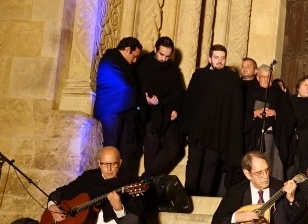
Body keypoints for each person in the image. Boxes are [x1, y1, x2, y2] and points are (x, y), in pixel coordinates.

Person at [45, 145, 147, 224]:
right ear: (99, 163)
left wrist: (119, 209)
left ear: (120, 163)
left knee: (132, 220)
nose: (108, 168)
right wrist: (52, 206)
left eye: (113, 164)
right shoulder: (89, 178)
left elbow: (139, 214)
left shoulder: (130, 182)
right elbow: (61, 192)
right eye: (104, 164)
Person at [183, 44, 245, 196]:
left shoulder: (231, 79)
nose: (220, 61)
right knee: (194, 163)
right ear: (210, 58)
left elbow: (235, 108)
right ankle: (188, 196)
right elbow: (189, 102)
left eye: (223, 58)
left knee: (210, 166)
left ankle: (204, 198)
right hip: (198, 130)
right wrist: (188, 129)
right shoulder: (199, 75)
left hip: (217, 132)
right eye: (216, 57)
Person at [138, 35, 187, 177]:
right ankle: (148, 183)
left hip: (168, 115)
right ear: (155, 49)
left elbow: (178, 93)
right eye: (161, 54)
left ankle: (146, 177)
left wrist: (176, 109)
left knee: (175, 149)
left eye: (167, 56)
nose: (164, 59)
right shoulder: (143, 66)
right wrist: (146, 100)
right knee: (151, 150)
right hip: (150, 116)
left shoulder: (173, 70)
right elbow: (135, 89)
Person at [94, 36, 144, 170]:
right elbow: (124, 87)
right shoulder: (111, 59)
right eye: (134, 56)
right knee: (111, 147)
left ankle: (121, 179)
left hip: (124, 110)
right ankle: (108, 178)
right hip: (111, 110)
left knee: (126, 149)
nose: (135, 60)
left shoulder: (126, 65)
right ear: (127, 49)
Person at [243, 64, 293, 180]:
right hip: (255, 136)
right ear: (258, 77)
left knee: (275, 167)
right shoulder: (251, 92)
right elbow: (242, 113)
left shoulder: (278, 93)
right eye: (263, 77)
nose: (266, 79)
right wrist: (254, 113)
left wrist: (275, 113)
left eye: (268, 77)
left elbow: (289, 115)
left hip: (274, 135)